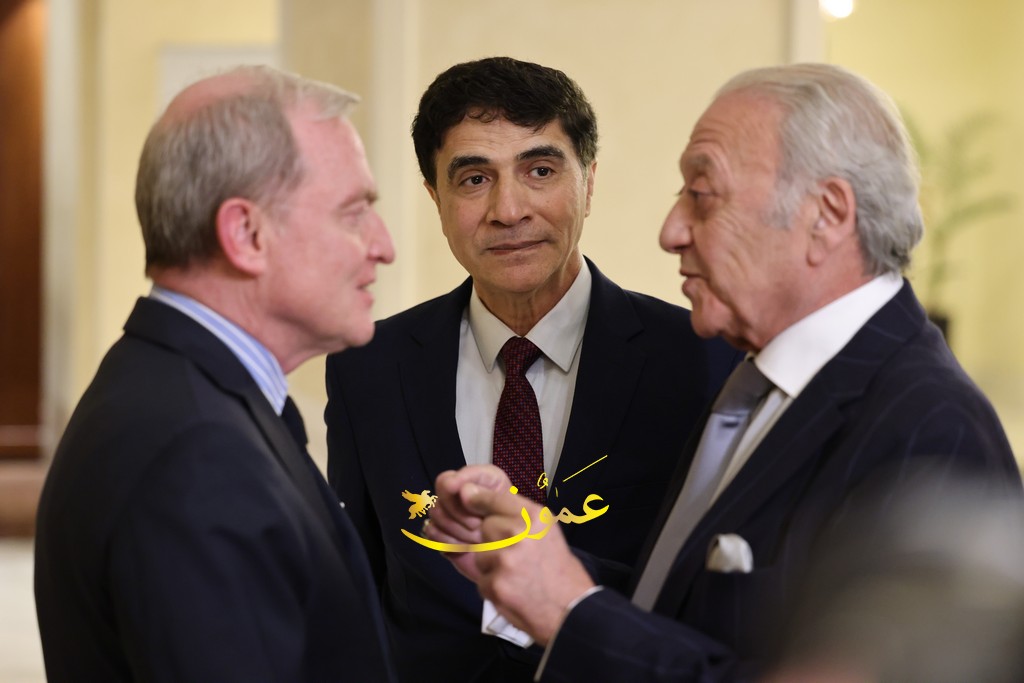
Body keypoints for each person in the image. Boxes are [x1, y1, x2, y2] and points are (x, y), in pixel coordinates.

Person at [426, 63, 1023, 682]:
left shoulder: (932, 431)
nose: (671, 231)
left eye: (702, 195)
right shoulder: (757, 384)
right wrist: (540, 564)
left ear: (826, 214)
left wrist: (572, 611)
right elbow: (696, 613)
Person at [324, 56, 739, 682]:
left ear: (589, 182)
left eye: (539, 171)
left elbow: (711, 598)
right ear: (436, 198)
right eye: (474, 180)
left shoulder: (703, 358)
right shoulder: (369, 365)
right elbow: (358, 587)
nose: (508, 209)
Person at [34, 65, 397, 682]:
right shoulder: (197, 454)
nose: (383, 245)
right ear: (246, 234)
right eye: (354, 212)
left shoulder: (176, 390)